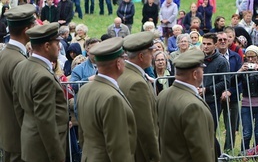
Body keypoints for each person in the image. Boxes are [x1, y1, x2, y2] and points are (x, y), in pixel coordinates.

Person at [12, 22, 69, 162]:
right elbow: (46, 122)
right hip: (44, 151)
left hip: (31, 142)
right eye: (57, 43)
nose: (59, 47)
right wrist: (57, 156)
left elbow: (18, 107)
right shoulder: (43, 76)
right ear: (47, 46)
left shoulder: (21, 66)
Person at [77, 37, 137, 160]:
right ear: (118, 63)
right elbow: (117, 147)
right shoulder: (112, 97)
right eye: (123, 59)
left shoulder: (84, 89)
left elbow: (83, 136)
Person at [157, 49, 216, 162]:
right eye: (202, 70)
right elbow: (200, 150)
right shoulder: (193, 106)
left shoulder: (163, 95)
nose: (203, 73)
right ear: (195, 74)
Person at [0, 5, 36, 162]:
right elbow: (21, 106)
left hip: (7, 134)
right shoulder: (19, 62)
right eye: (33, 25)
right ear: (26, 30)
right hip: (19, 138)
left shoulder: (5, 55)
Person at [118, 32, 160, 162]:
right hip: (140, 153)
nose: (153, 56)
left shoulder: (126, 74)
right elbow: (145, 127)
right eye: (151, 52)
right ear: (141, 56)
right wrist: (155, 156)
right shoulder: (137, 83)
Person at [201, 32, 231, 158]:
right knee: (200, 132)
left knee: (209, 131)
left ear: (215, 44)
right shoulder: (198, 58)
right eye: (204, 43)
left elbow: (225, 82)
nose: (206, 46)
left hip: (212, 102)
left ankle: (217, 156)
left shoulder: (221, 62)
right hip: (197, 100)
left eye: (209, 44)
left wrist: (207, 89)